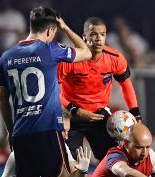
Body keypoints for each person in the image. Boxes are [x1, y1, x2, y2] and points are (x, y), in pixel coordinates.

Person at [0, 6, 93, 177]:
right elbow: (86, 52)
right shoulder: (50, 49)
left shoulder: (6, 57)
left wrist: (9, 130)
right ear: (51, 29)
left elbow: (2, 99)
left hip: (21, 133)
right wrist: (66, 28)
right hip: (46, 129)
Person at [58, 17, 141, 160]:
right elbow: (53, 91)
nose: (98, 39)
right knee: (68, 165)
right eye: (93, 34)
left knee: (114, 160)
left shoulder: (115, 58)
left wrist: (136, 114)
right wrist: (74, 110)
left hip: (99, 116)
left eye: (102, 34)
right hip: (71, 115)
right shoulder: (69, 59)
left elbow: (126, 86)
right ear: (84, 37)